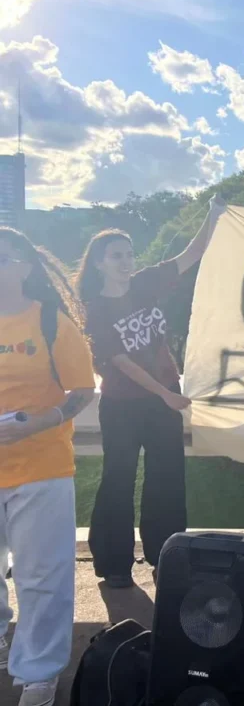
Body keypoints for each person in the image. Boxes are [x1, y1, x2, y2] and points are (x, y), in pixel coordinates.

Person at [78, 196, 225, 588]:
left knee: (167, 477)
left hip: (163, 403)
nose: (126, 261)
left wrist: (214, 214)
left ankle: (166, 557)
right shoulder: (93, 309)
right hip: (123, 407)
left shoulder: (145, 284)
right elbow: (120, 361)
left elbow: (192, 253)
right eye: (115, 256)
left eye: (129, 253)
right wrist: (165, 393)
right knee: (118, 479)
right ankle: (115, 565)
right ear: (98, 263)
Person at [0, 228, 96, 706]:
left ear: (22, 267)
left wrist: (41, 421)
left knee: (42, 577)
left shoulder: (52, 322)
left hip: (40, 467)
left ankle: (38, 673)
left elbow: (82, 392)